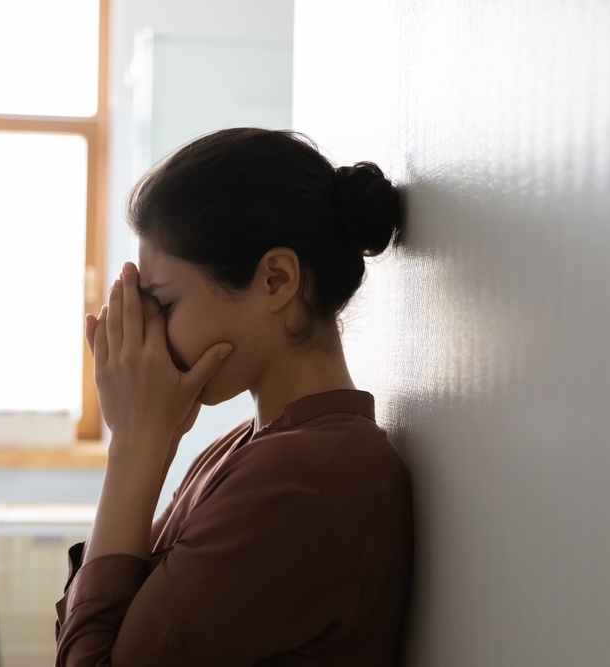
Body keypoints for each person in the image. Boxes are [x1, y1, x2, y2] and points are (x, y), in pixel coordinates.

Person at [55, 128, 413, 666]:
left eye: (166, 304)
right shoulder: (250, 447)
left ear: (275, 280)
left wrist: (136, 445)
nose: (152, 335)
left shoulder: (306, 480)